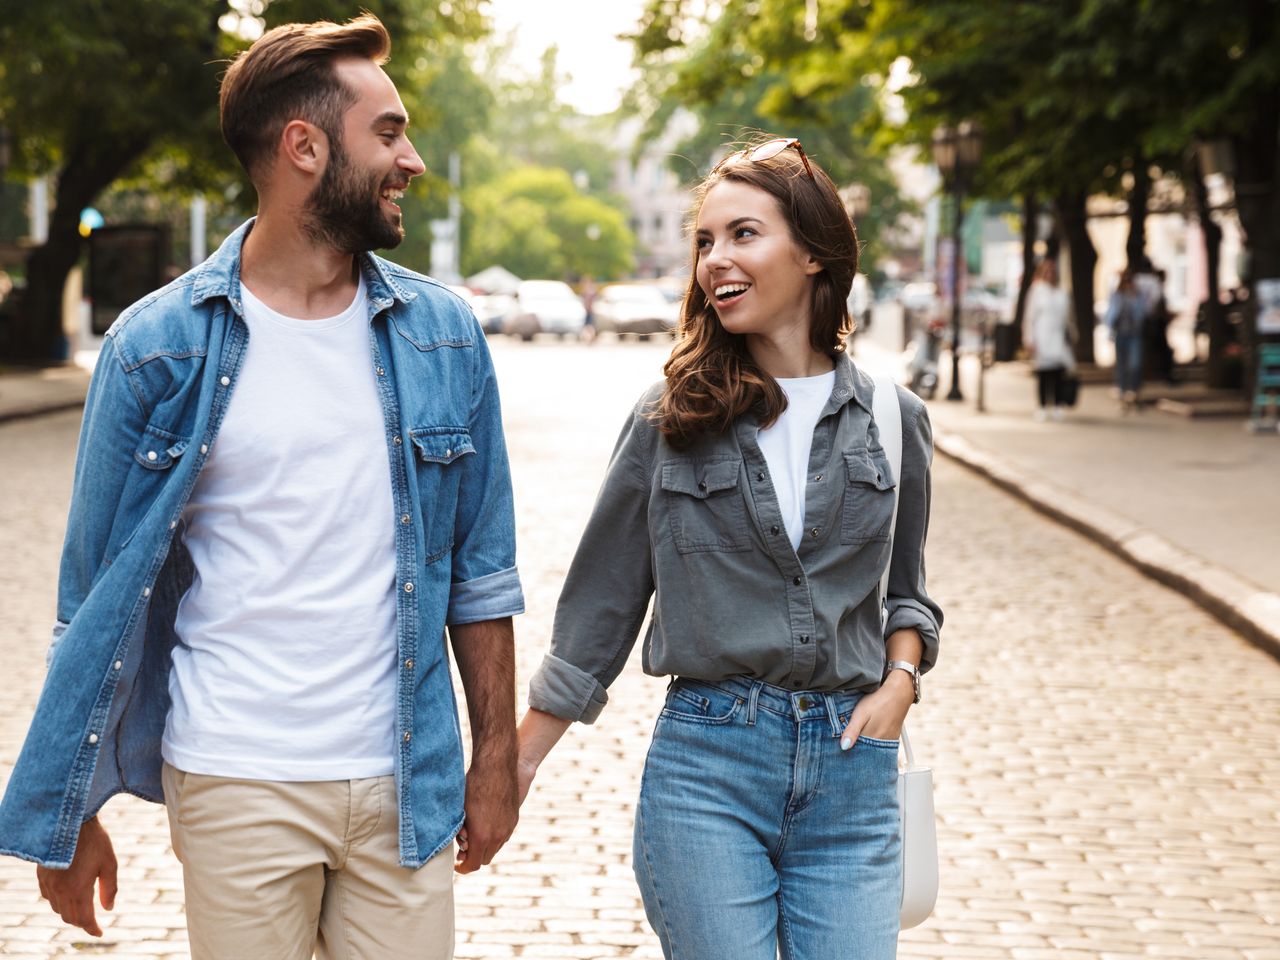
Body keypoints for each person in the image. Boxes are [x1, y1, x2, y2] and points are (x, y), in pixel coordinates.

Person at [0, 15, 524, 959]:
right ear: (305, 147)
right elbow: (92, 596)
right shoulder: (155, 347)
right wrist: (68, 808)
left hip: (404, 780)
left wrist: (495, 764)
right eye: (390, 132)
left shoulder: (446, 336)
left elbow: (483, 573)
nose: (411, 159)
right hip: (236, 773)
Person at [516, 136, 943, 959]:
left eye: (743, 234)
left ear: (815, 253)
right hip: (708, 771)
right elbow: (601, 607)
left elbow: (907, 596)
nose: (715, 260)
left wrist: (901, 681)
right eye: (705, 242)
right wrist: (517, 764)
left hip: (853, 780)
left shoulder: (896, 419)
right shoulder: (669, 419)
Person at [1023, 258, 1075, 421]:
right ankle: (1043, 405)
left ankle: (1058, 405)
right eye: (1047, 271)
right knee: (1044, 373)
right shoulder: (1037, 291)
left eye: (1053, 271)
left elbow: (1069, 318)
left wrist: (1073, 335)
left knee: (1058, 373)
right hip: (1042, 336)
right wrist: (1029, 339)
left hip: (1058, 338)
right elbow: (1029, 317)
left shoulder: (1062, 292)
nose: (1051, 274)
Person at [1105, 268, 1147, 410]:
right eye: (1125, 281)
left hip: (1134, 334)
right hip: (1120, 334)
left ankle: (1134, 391)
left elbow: (1142, 313)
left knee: (1135, 364)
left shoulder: (1138, 296)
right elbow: (1111, 315)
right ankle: (1123, 393)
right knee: (1121, 365)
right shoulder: (1116, 296)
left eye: (1129, 281)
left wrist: (1134, 297)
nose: (1128, 284)